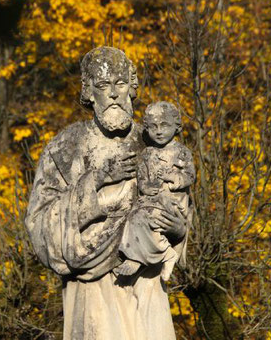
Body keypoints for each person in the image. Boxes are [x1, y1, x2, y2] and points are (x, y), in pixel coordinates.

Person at [25, 47, 187, 340]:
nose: (112, 94)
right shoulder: (65, 149)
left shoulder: (154, 143)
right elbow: (40, 229)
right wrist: (96, 184)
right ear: (88, 92)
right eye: (102, 85)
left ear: (132, 88)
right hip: (92, 297)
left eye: (120, 84)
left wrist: (180, 229)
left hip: (148, 295)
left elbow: (181, 204)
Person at [115, 101, 194, 281]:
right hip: (151, 200)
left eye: (164, 125)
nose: (159, 131)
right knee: (135, 218)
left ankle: (161, 255)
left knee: (154, 218)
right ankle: (163, 254)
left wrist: (172, 177)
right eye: (153, 126)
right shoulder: (147, 154)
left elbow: (188, 176)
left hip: (173, 203)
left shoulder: (182, 152)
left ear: (177, 126)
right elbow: (142, 180)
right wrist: (148, 188)